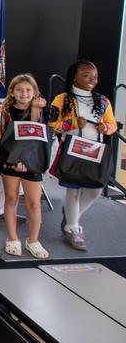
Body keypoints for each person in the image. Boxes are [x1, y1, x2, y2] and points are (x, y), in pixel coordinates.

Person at [48, 60, 117, 251]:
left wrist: (107, 127)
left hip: (95, 151)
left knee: (95, 189)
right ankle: (73, 228)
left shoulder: (103, 101)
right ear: (75, 76)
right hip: (71, 150)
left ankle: (71, 215)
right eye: (86, 75)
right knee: (74, 189)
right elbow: (52, 124)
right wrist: (72, 124)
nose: (92, 80)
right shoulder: (62, 99)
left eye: (94, 76)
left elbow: (112, 124)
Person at [0, 74, 50, 258]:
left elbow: (35, 137)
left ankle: (33, 240)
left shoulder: (45, 111)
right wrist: (15, 161)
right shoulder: (7, 111)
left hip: (33, 162)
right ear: (12, 92)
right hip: (11, 162)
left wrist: (36, 110)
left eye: (28, 90)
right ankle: (12, 238)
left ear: (35, 92)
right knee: (11, 199)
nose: (24, 93)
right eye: (19, 89)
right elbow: (7, 140)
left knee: (34, 203)